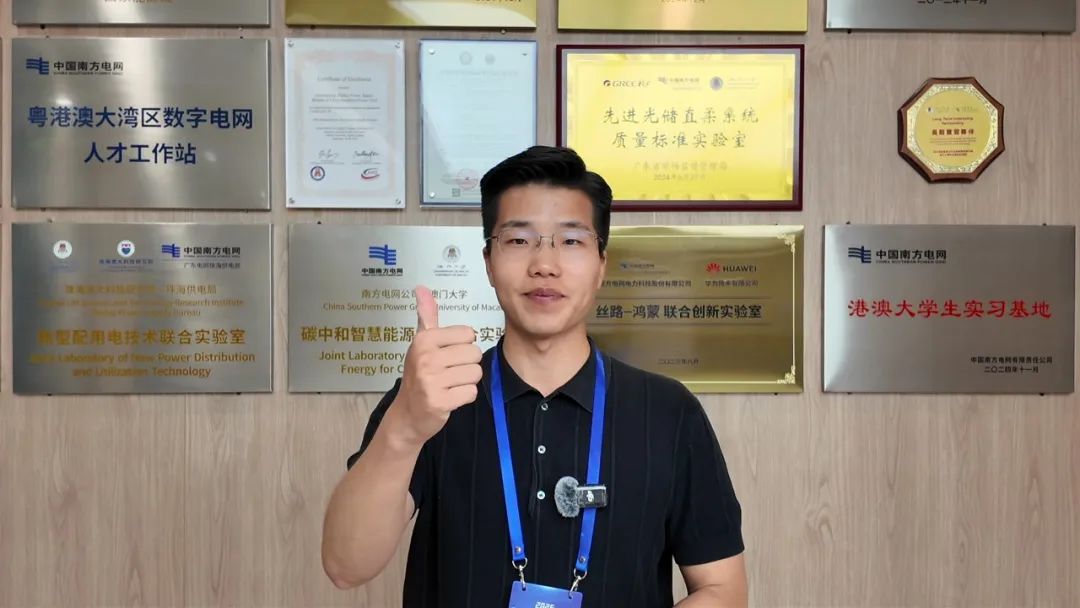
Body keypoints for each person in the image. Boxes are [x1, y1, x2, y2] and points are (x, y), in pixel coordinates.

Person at [322, 146, 746, 607]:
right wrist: (404, 427)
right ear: (488, 261)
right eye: (519, 240)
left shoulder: (668, 412)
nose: (545, 264)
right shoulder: (430, 397)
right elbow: (346, 566)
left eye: (571, 241)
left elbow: (722, 589)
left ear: (601, 264)